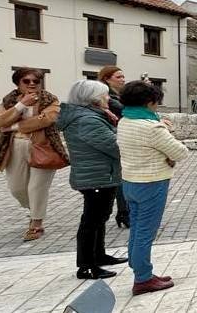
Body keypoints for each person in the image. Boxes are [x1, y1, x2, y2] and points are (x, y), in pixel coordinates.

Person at [117, 81, 189, 295]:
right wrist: (165, 130)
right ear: (149, 102)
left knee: (138, 228)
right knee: (146, 231)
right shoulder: (152, 127)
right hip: (151, 182)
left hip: (130, 181)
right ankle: (142, 278)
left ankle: (140, 269)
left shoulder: (125, 120)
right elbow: (181, 152)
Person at [57, 80, 128, 279]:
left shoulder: (93, 116)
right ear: (93, 99)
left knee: (100, 218)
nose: (108, 98)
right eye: (105, 95)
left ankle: (99, 255)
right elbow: (115, 146)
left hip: (101, 174)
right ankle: (86, 265)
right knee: (91, 221)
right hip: (96, 175)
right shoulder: (87, 120)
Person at [0, 68, 65, 242]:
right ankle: (35, 210)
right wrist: (21, 105)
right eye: (26, 81)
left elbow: (47, 119)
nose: (32, 84)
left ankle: (36, 224)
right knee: (17, 188)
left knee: (37, 188)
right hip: (14, 146)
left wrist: (13, 126)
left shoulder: (50, 99)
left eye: (36, 81)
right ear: (18, 83)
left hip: (43, 146)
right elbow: (0, 121)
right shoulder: (9, 100)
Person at [98, 65, 130, 229]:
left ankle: (123, 212)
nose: (123, 79)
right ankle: (124, 212)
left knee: (121, 176)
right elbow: (127, 111)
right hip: (114, 138)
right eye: (118, 77)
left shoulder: (119, 95)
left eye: (123, 76)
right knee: (121, 177)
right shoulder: (107, 97)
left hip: (121, 136)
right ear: (107, 79)